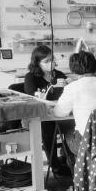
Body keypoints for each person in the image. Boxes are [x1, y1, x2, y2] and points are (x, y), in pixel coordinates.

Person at [52, 51, 96, 155]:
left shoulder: (72, 87)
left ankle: (76, 162)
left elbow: (58, 113)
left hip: (86, 144)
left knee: (66, 126)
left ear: (73, 69)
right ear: (95, 65)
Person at [24, 45, 69, 177]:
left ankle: (68, 160)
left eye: (52, 59)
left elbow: (68, 95)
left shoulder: (59, 75)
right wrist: (51, 86)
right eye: (46, 61)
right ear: (37, 63)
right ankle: (55, 165)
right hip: (41, 115)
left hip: (59, 113)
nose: (51, 63)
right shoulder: (31, 77)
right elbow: (32, 97)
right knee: (48, 127)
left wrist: (69, 84)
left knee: (74, 125)